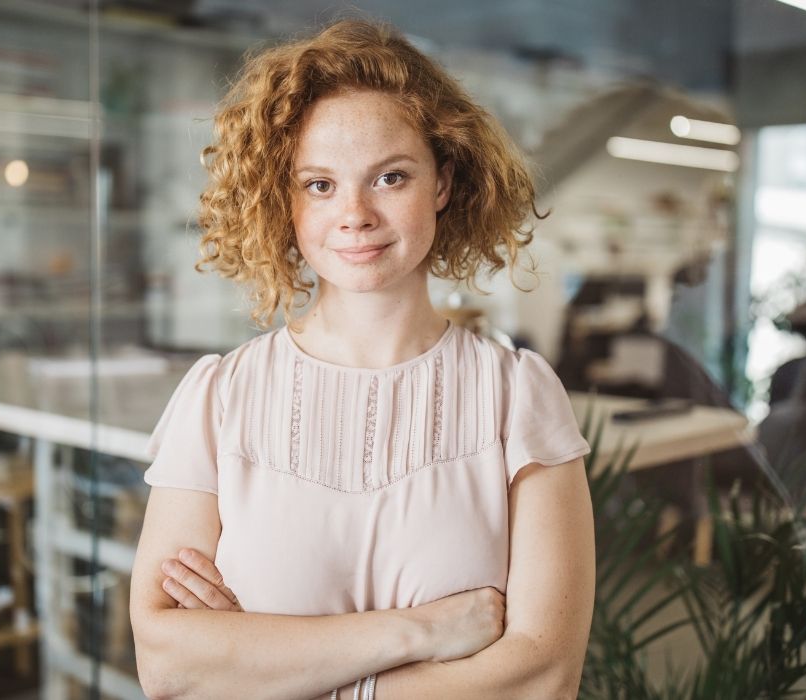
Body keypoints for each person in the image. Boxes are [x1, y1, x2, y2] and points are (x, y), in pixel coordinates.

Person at [129, 19, 595, 699]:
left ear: (441, 183)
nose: (355, 214)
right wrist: (423, 632)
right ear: (282, 200)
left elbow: (543, 677)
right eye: (319, 184)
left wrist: (266, 668)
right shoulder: (216, 399)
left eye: (390, 177)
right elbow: (168, 666)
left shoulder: (518, 398)